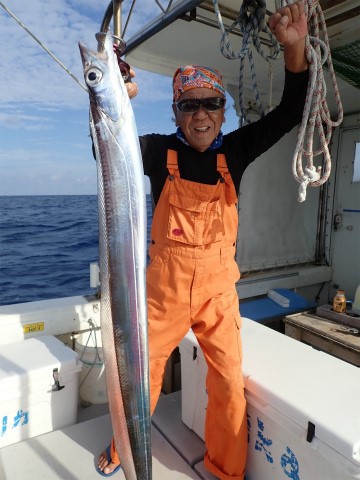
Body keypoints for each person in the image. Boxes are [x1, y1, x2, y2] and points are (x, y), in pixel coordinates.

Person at [97, 2, 309, 478]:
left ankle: (225, 470)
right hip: (163, 291)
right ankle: (123, 450)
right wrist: (116, 96)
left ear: (223, 109)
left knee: (229, 384)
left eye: (210, 103)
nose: (200, 114)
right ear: (175, 110)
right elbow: (106, 145)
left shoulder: (236, 151)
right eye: (188, 104)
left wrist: (294, 47)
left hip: (217, 292)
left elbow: (292, 110)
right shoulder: (152, 149)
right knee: (139, 372)